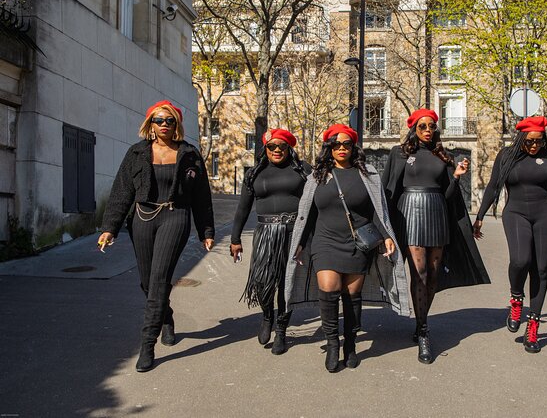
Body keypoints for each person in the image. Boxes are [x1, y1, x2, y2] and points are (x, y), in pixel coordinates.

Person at [284, 124, 411, 373]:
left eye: (347, 144)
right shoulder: (317, 176)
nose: (341, 148)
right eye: (336, 144)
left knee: (352, 297)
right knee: (328, 289)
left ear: (354, 147)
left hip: (358, 243)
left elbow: (377, 210)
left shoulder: (368, 173)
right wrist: (300, 242)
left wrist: (386, 235)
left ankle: (350, 344)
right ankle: (333, 344)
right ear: (328, 148)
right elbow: (308, 214)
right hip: (325, 241)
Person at [98, 100, 215, 372]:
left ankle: (147, 344)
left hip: (175, 216)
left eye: (169, 120)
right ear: (150, 123)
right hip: (142, 218)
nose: (164, 125)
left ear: (177, 125)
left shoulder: (189, 154)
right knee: (148, 283)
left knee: (160, 278)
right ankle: (166, 317)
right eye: (159, 120)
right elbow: (121, 192)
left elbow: (201, 197)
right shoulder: (137, 153)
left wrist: (206, 230)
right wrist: (109, 227)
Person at [382, 108, 490, 364]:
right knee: (419, 272)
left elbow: (449, 195)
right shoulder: (399, 153)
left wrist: (455, 178)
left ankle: (421, 320)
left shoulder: (443, 156)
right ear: (414, 129)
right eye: (423, 126)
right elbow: (388, 189)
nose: (428, 131)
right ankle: (423, 331)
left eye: (432, 127)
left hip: (437, 212)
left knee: (432, 273)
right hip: (410, 213)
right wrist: (385, 227)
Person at [473, 115, 547, 353]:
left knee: (541, 269)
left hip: (546, 214)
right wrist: (479, 216)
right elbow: (492, 186)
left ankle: (533, 325)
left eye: (539, 141)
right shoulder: (506, 155)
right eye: (530, 141)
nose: (534, 146)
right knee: (520, 260)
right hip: (516, 213)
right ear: (521, 138)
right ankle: (516, 298)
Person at [230, 128, 311, 355]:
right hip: (265, 232)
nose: (277, 150)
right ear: (265, 148)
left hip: (293, 232)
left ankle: (282, 332)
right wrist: (235, 239)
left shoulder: (302, 170)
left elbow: (317, 201)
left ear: (289, 148)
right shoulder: (255, 173)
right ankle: (267, 316)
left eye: (282, 146)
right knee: (264, 282)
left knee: (287, 284)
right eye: (272, 146)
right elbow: (243, 208)